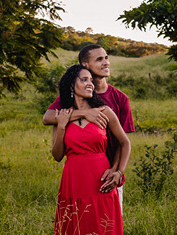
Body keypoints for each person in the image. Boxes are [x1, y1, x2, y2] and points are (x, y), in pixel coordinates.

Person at [50, 63, 135, 235]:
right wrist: (64, 124)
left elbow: (125, 143)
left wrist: (118, 171)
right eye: (84, 79)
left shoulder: (105, 111)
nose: (90, 83)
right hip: (73, 181)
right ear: (71, 85)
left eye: (91, 80)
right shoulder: (61, 114)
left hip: (101, 180)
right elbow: (57, 155)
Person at [43, 44, 135, 205]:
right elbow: (48, 118)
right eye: (99, 59)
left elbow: (123, 141)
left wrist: (117, 170)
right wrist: (85, 113)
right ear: (85, 65)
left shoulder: (119, 99)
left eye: (106, 58)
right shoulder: (72, 97)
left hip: (108, 174)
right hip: (78, 174)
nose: (106, 62)